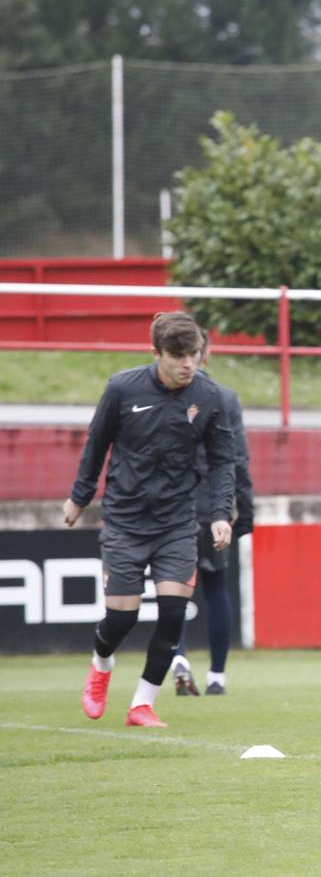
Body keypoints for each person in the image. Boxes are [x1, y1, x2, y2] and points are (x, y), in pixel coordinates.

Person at [64, 311, 237, 728]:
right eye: (178, 356)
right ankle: (101, 664)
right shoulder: (123, 389)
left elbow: (223, 460)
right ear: (156, 352)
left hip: (177, 521)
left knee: (174, 613)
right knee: (121, 617)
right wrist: (79, 496)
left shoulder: (211, 396)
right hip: (125, 519)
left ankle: (142, 703)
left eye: (194, 354)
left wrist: (220, 513)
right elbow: (97, 445)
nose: (188, 364)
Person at [170, 329, 252, 698]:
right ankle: (217, 674)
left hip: (173, 509)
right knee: (217, 588)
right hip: (214, 507)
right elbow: (237, 460)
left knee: (174, 589)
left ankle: (179, 656)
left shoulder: (160, 394)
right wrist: (245, 510)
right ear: (208, 353)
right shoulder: (224, 397)